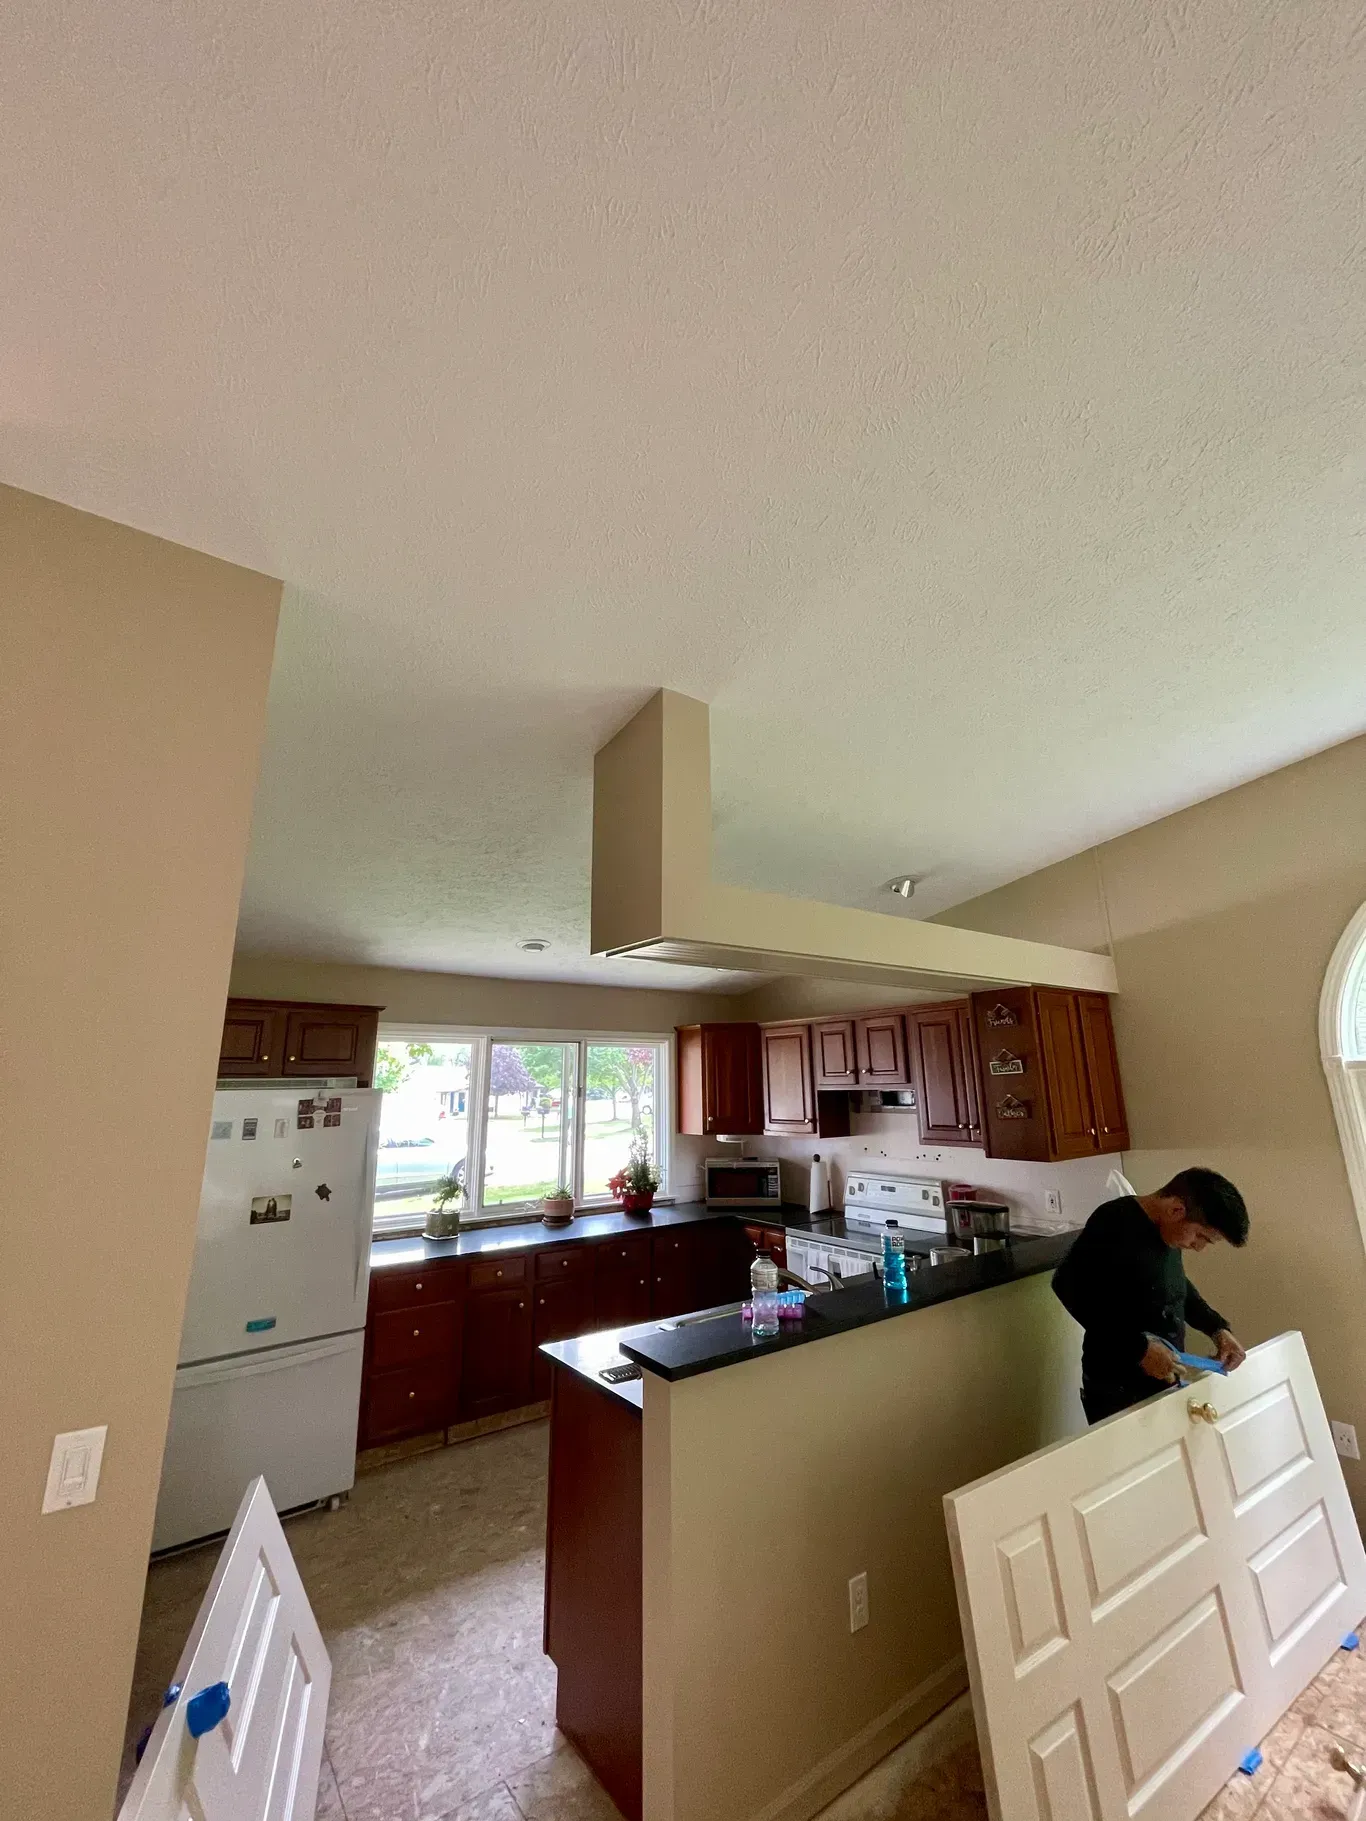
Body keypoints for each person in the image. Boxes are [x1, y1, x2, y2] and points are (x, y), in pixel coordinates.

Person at [1052, 1167, 1250, 1423]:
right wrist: (1138, 1349)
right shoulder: (1114, 1222)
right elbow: (1067, 1286)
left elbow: (1177, 1287)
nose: (1199, 1248)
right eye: (1201, 1237)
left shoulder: (1168, 1233)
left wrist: (1217, 1328)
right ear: (1176, 1210)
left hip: (1160, 1382)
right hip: (1115, 1388)